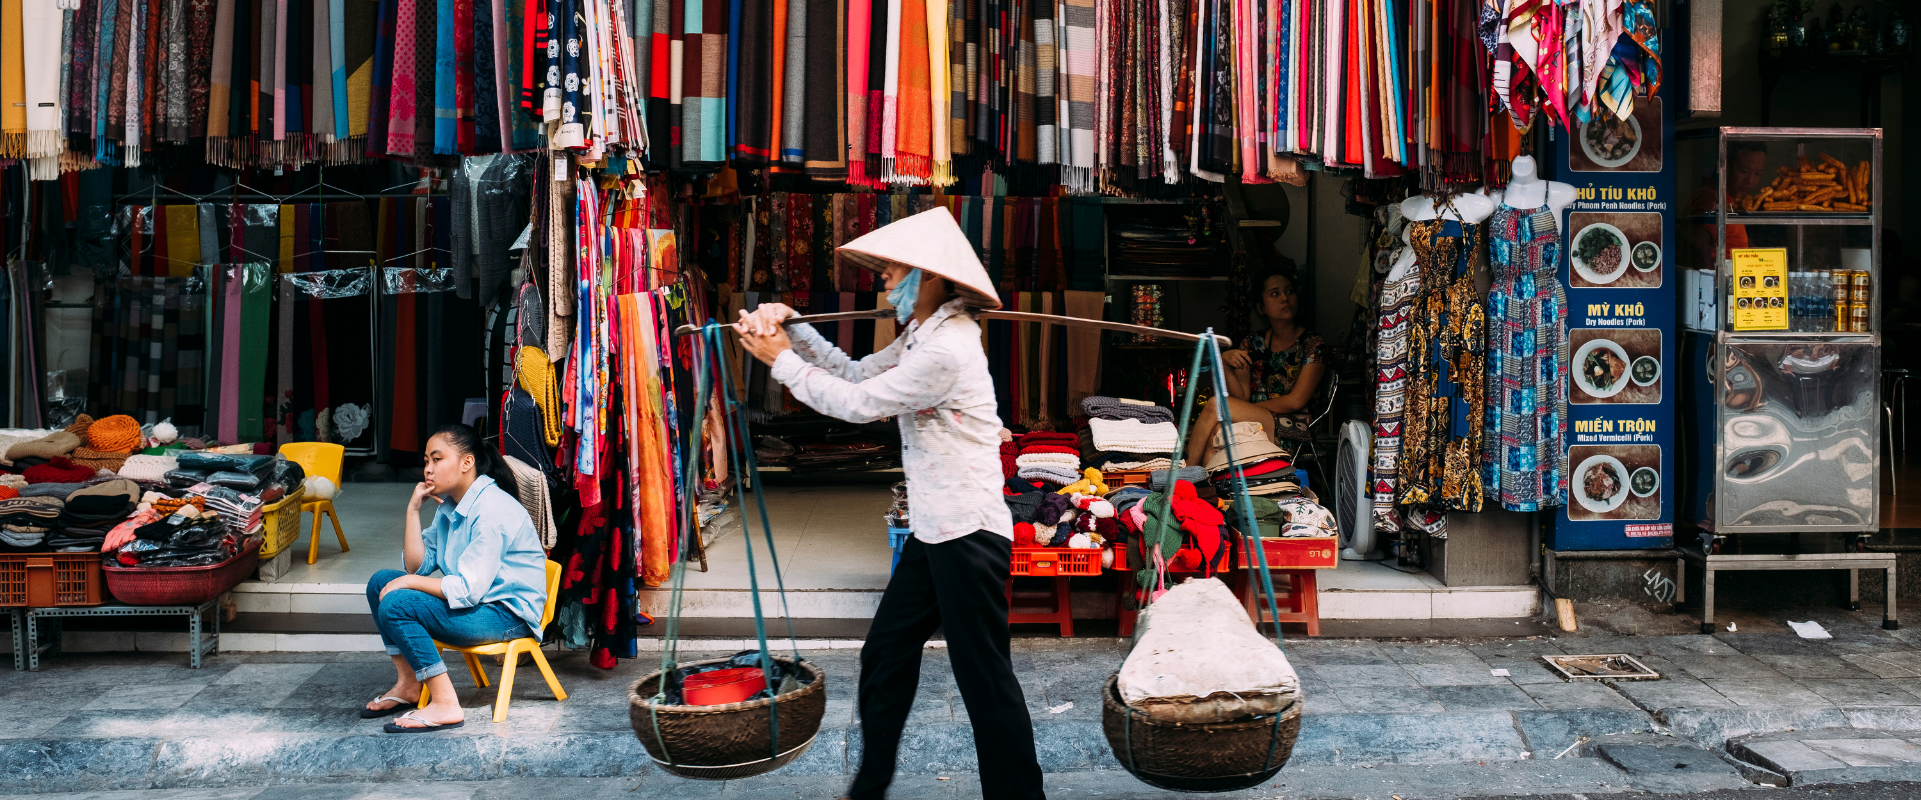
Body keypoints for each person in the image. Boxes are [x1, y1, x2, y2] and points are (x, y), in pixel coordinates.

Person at [734, 207, 1046, 800]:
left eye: (890, 267)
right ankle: (870, 786)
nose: (879, 277)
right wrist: (795, 328)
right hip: (937, 531)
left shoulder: (947, 349)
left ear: (927, 276)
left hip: (968, 536)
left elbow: (860, 405)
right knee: (885, 655)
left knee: (985, 682)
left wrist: (781, 359)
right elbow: (851, 373)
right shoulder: (920, 336)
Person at [360, 423, 549, 733]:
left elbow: (467, 590)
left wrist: (407, 584)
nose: (428, 469)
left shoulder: (490, 510)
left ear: (467, 463)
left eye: (437, 459)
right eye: (426, 461)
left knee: (397, 601)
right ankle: (409, 685)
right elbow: (415, 567)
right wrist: (411, 510)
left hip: (506, 616)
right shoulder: (451, 506)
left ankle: (446, 702)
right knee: (380, 582)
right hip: (478, 606)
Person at [1185, 266, 1326, 466]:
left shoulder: (1313, 344)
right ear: (1261, 308)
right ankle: (1209, 491)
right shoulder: (1252, 343)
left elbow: (1297, 401)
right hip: (1257, 422)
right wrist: (1224, 362)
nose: (1285, 298)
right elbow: (1240, 396)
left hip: (1295, 428)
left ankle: (1182, 477)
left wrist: (1245, 410)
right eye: (1275, 294)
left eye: (1289, 291)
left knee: (1216, 405)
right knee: (1217, 432)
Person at [1688, 141, 1768, 268]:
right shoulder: (1712, 199)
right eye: (1743, 171)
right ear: (1725, 166)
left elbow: (1732, 239)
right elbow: (1697, 244)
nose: (1750, 181)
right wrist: (1711, 285)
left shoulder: (1730, 200)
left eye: (1757, 174)